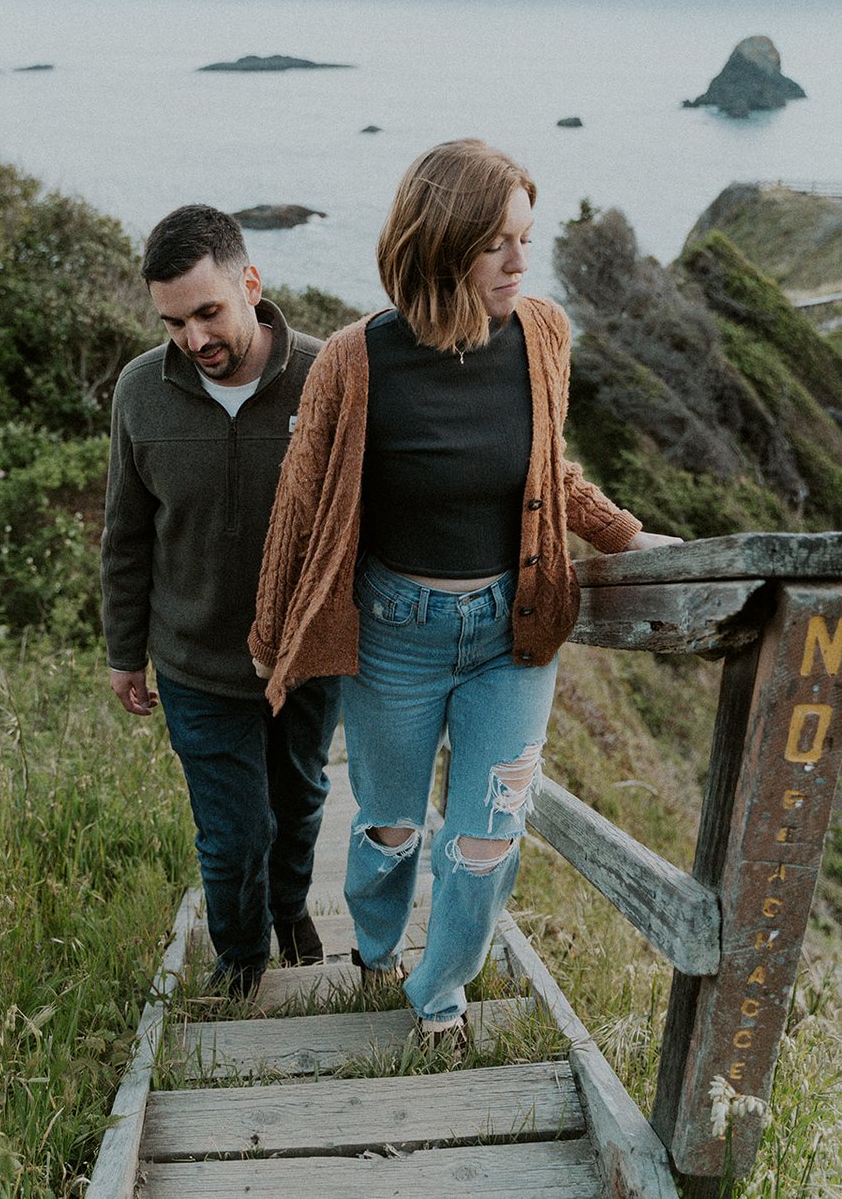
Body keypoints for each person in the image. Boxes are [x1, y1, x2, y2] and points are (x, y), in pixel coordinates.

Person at [249, 139, 681, 1045]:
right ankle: (374, 950)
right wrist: (271, 639)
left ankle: (438, 996)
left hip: (511, 635)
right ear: (441, 246)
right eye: (499, 245)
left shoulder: (542, 333)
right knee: (392, 826)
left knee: (485, 838)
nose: (523, 262)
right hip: (393, 635)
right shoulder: (352, 361)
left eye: (527, 238)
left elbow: (547, 472)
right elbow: (302, 506)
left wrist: (628, 535)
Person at [102, 204, 341, 1000]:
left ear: (250, 283)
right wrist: (121, 652)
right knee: (234, 832)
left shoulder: (328, 374)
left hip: (306, 659)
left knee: (300, 801)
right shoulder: (141, 391)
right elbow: (126, 535)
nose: (194, 339)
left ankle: (291, 908)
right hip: (195, 660)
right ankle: (240, 961)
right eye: (174, 322)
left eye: (208, 312)